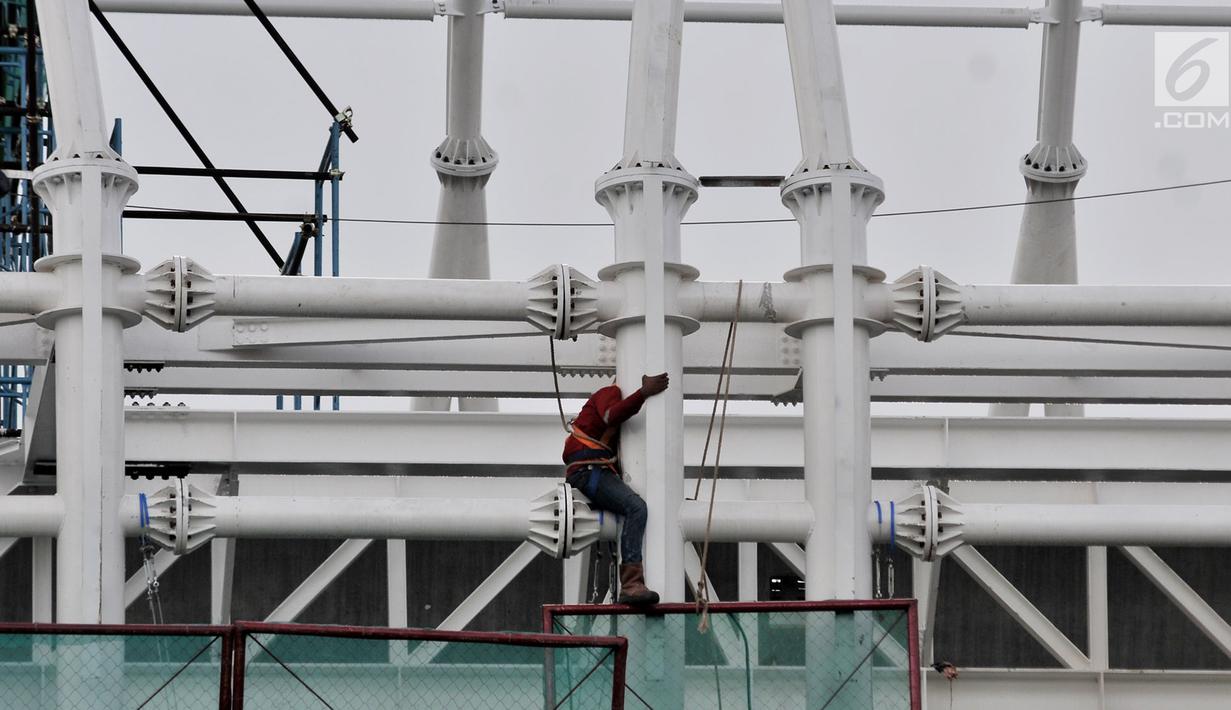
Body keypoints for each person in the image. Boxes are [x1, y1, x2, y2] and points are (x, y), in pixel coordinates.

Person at [562, 372, 670, 605]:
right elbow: (612, 415)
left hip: (590, 470)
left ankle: (631, 583)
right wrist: (643, 393)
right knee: (636, 507)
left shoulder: (609, 429)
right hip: (589, 471)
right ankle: (632, 583)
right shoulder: (608, 393)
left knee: (630, 507)